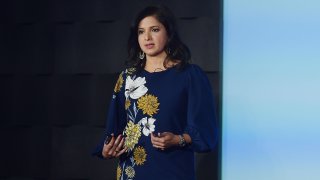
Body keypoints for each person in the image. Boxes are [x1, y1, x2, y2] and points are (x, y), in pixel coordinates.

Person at [93, 5, 218, 180]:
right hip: (131, 172)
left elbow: (206, 131)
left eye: (155, 30)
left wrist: (178, 139)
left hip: (173, 170)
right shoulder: (127, 78)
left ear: (169, 33)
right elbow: (114, 130)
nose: (147, 37)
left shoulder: (190, 76)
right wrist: (107, 150)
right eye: (141, 32)